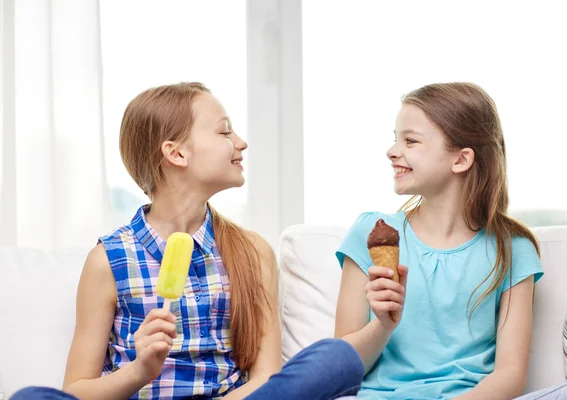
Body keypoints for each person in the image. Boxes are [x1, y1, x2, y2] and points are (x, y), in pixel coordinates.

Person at [10, 82, 363, 400]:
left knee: (338, 358)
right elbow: (77, 389)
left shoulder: (253, 252)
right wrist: (140, 370)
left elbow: (265, 378)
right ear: (176, 153)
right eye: (225, 132)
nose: (240, 142)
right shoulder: (109, 260)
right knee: (30, 398)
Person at [334, 82, 545, 399]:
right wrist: (382, 324)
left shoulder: (512, 249)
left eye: (411, 141)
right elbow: (341, 370)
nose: (392, 151)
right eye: (396, 139)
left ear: (461, 160)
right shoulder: (371, 232)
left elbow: (510, 374)